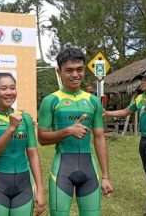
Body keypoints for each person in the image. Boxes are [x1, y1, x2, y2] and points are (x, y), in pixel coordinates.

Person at [37, 47, 113, 216]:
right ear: (59, 71)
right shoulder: (51, 100)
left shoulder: (93, 101)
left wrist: (106, 176)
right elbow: (41, 138)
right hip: (62, 168)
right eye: (69, 71)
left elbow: (99, 138)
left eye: (79, 70)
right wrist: (67, 131)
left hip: (89, 168)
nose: (75, 75)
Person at [104, 70, 146, 215]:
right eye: (142, 79)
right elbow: (126, 111)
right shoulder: (140, 98)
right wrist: (106, 113)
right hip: (145, 137)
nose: (142, 82)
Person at [0, 73, 46, 216]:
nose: (9, 93)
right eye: (4, 88)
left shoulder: (25, 118)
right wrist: (11, 128)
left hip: (24, 186)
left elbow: (33, 154)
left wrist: (41, 190)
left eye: (12, 88)